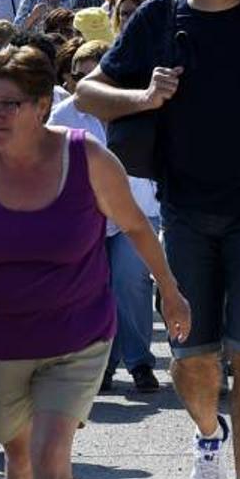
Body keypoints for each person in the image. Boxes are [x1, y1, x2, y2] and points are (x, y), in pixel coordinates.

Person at [0, 46, 190, 479]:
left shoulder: (86, 157)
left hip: (77, 333)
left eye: (9, 104)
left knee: (50, 454)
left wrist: (170, 290)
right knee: (20, 455)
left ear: (43, 104)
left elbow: (134, 226)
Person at [75, 0, 240, 479]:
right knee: (192, 358)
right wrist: (142, 96)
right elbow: (88, 91)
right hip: (184, 211)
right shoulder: (159, 16)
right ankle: (209, 439)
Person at [48, 42, 162, 394]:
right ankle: (102, 366)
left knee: (130, 282)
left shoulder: (138, 108)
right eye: (78, 76)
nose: (85, 83)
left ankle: (140, 361)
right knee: (94, 290)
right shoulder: (62, 116)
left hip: (137, 212)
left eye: (94, 75)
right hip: (86, 219)